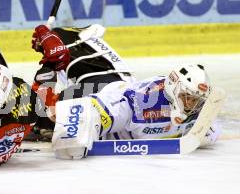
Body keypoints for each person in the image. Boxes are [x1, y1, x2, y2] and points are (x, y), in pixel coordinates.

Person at [50, 63, 222, 159]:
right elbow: (96, 109)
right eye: (188, 97)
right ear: (174, 90)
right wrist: (78, 130)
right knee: (51, 114)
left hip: (122, 87)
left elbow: (209, 132)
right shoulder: (140, 102)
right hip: (107, 91)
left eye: (197, 100)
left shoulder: (196, 113)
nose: (192, 105)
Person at [27, 24, 135, 141]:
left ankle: (41, 122)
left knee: (58, 106)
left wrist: (47, 39)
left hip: (113, 89)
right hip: (119, 88)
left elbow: (48, 111)